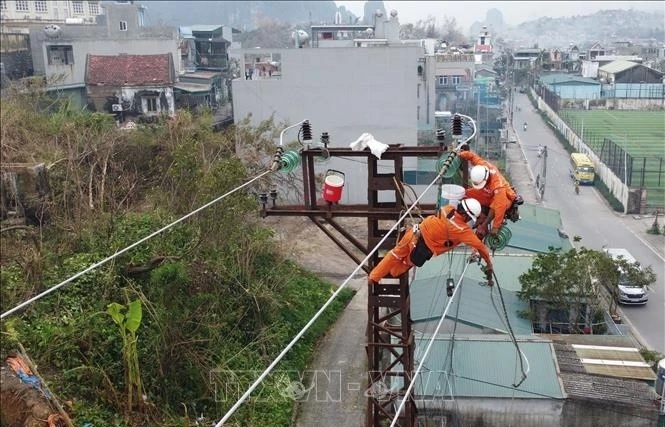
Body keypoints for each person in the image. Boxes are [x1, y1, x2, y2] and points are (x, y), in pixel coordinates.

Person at [368, 197, 494, 285]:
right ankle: (386, 272)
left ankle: (373, 277)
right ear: (466, 215)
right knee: (398, 270)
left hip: (412, 234)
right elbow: (481, 248)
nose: (469, 221)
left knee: (394, 254)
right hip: (420, 250)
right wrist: (489, 264)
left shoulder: (448, 208)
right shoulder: (462, 230)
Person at [457, 149, 522, 239]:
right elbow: (472, 157)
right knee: (464, 193)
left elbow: (500, 206)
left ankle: (485, 222)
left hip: (504, 199)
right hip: (488, 192)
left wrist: (495, 227)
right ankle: (480, 216)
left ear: (486, 179)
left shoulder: (497, 185)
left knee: (495, 205)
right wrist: (461, 154)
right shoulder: (482, 166)